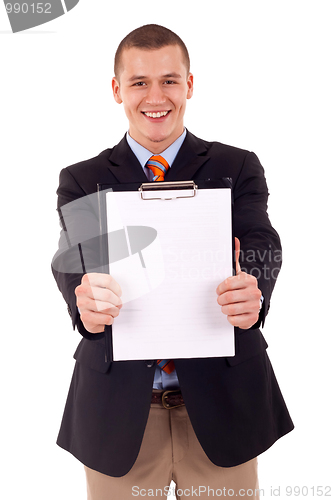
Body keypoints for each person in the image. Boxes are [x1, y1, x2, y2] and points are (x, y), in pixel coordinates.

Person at [52, 24, 294, 500]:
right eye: (140, 82)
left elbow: (261, 239)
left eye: (169, 80)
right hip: (118, 409)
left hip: (222, 404)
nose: (155, 96)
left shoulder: (237, 166)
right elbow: (74, 260)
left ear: (189, 85)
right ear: (118, 89)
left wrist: (254, 287)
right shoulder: (84, 179)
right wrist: (84, 298)